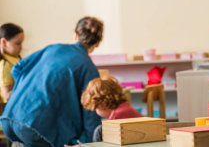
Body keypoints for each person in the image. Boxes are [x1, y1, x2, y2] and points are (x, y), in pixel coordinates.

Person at [0, 16, 104, 147]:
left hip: (10, 118)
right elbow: (91, 114)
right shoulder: (89, 68)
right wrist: (93, 143)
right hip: (38, 128)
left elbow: (17, 69)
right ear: (98, 43)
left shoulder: (52, 49)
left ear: (75, 35)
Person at [81, 76, 142, 141]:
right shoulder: (126, 107)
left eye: (96, 108)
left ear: (102, 104)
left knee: (99, 131)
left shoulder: (116, 117)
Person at [0, 23, 24, 103]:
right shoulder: (5, 65)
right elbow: (7, 95)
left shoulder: (15, 59)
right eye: (17, 43)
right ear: (4, 42)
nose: (21, 47)